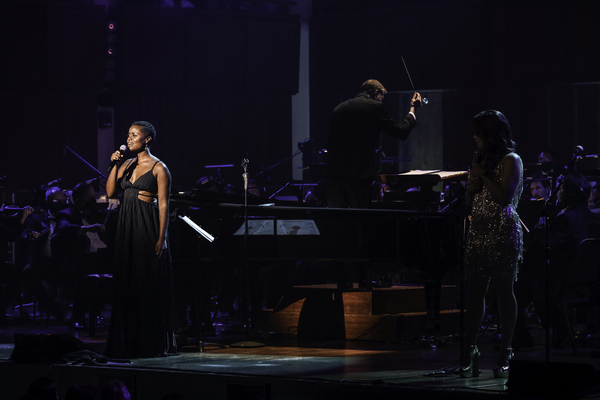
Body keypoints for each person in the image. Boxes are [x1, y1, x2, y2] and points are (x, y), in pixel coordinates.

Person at [104, 121, 177, 359]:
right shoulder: (124, 164)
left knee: (147, 279)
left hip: (147, 224)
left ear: (147, 139)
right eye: (128, 134)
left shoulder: (159, 167)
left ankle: (150, 341)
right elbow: (112, 192)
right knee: (128, 280)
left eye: (135, 135)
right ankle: (128, 340)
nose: (130, 138)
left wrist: (162, 237)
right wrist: (114, 165)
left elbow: (164, 204)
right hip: (127, 224)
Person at [461, 110, 523, 378]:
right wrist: (472, 184)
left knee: (502, 290)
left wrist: (483, 175)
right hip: (478, 230)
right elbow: (468, 202)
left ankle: (505, 351)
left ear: (490, 134)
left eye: (478, 132)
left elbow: (503, 198)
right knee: (475, 292)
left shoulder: (512, 160)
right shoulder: (481, 159)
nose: (474, 137)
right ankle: (469, 351)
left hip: (503, 230)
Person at [325, 79, 421, 209]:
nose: (382, 100)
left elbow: (330, 143)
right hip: (358, 175)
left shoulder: (339, 108)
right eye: (382, 96)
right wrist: (413, 109)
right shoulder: (375, 107)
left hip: (334, 174)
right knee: (359, 219)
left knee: (335, 220)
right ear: (376, 92)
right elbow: (401, 132)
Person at [53, 182, 107, 330]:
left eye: (93, 198)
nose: (92, 202)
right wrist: (87, 228)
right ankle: (77, 317)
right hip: (75, 260)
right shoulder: (66, 214)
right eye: (88, 198)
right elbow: (64, 228)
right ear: (77, 199)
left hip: (96, 257)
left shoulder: (93, 214)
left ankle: (97, 314)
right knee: (87, 276)